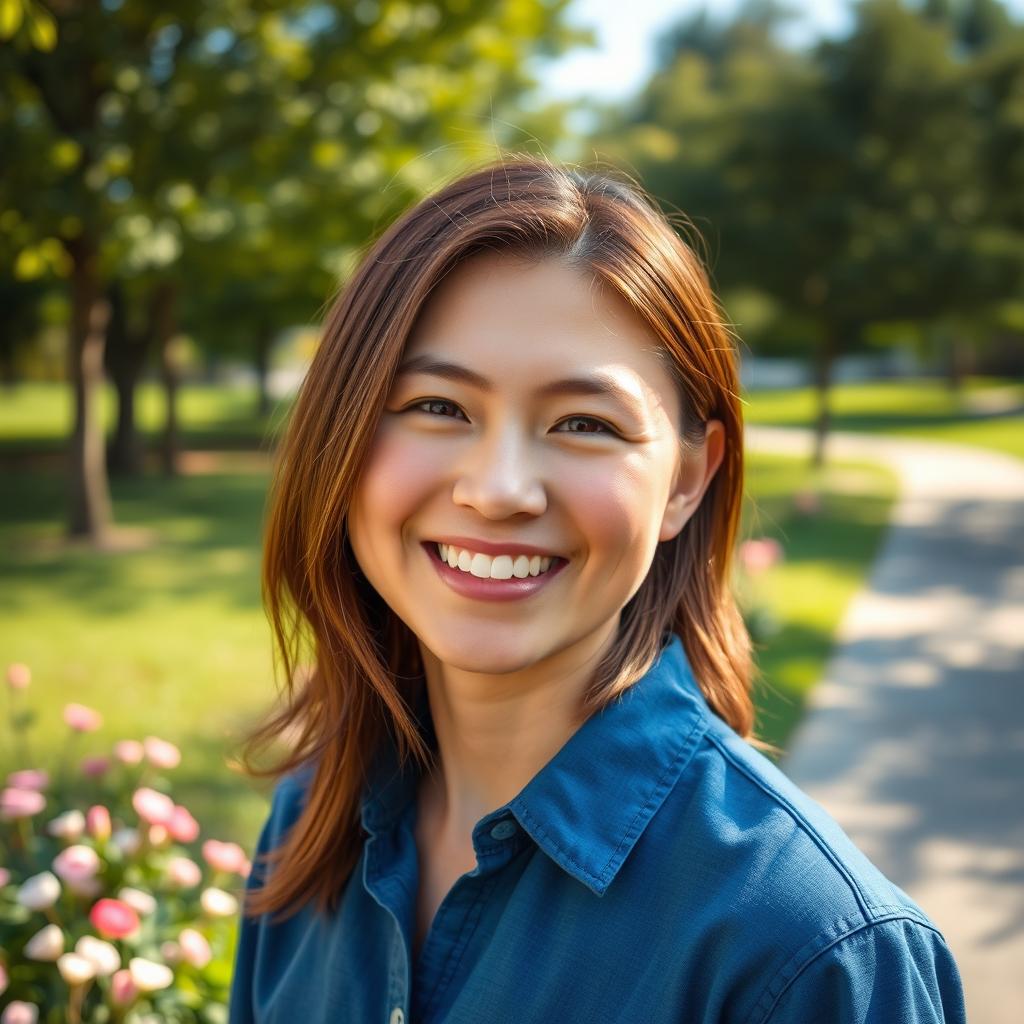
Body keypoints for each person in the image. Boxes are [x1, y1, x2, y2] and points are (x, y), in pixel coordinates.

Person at [227, 158, 966, 1024]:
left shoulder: (812, 951)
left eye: (584, 424)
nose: (500, 489)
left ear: (688, 479)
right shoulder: (310, 825)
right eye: (436, 405)